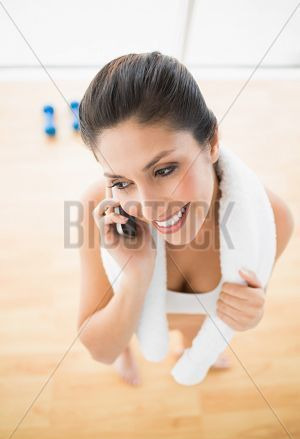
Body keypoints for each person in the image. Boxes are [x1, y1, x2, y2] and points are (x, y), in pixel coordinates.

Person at [77, 51, 294, 386]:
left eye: (164, 170)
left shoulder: (272, 218)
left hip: (196, 326)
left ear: (211, 142)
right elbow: (100, 351)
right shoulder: (99, 207)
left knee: (195, 337)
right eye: (121, 182)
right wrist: (135, 276)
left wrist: (249, 315)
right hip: (128, 321)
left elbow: (250, 293)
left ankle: (190, 347)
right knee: (120, 334)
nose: (148, 209)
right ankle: (130, 351)